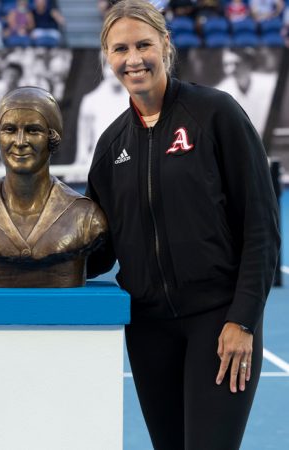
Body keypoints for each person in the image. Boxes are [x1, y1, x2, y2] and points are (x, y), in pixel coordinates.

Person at [87, 2, 280, 449]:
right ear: (108, 58)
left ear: (165, 45)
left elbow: (261, 226)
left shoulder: (215, 114)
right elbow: (99, 248)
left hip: (218, 322)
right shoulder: (111, 144)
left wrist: (243, 320)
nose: (133, 59)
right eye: (120, 49)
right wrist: (28, 269)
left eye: (143, 45)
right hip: (149, 330)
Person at [0, 86, 108, 287]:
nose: (20, 141)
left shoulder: (86, 217)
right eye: (10, 130)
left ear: (52, 137)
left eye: (33, 130)